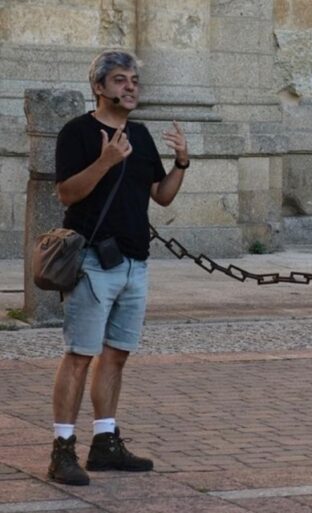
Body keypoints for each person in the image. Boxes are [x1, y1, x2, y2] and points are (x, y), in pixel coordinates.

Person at [48, 50, 190, 486]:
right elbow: (67, 194)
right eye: (120, 80)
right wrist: (106, 161)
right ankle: (62, 450)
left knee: (116, 356)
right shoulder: (77, 132)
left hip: (134, 263)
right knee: (79, 356)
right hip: (92, 262)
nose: (130, 87)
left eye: (134, 81)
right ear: (99, 87)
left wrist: (183, 162)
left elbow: (161, 196)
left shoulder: (142, 136)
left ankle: (105, 443)